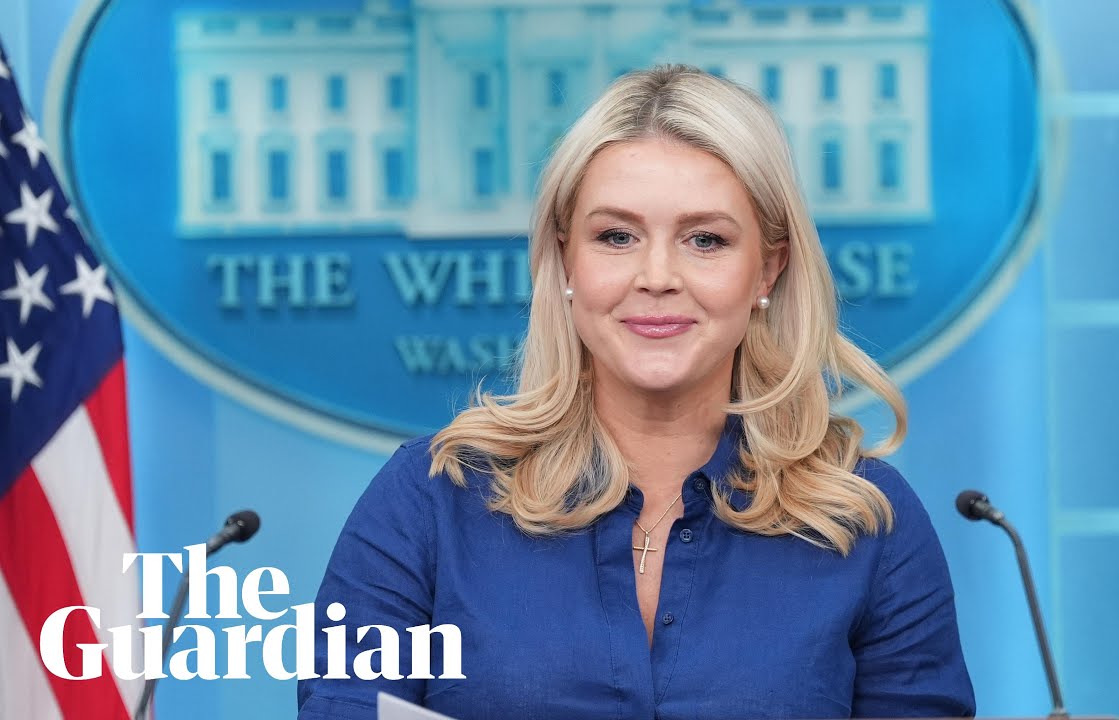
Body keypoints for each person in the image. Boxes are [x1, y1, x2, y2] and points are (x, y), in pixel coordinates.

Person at [298, 64, 975, 720]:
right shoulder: (430, 500)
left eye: (705, 240)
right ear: (566, 259)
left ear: (767, 269)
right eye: (616, 236)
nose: (657, 276)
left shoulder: (867, 521)